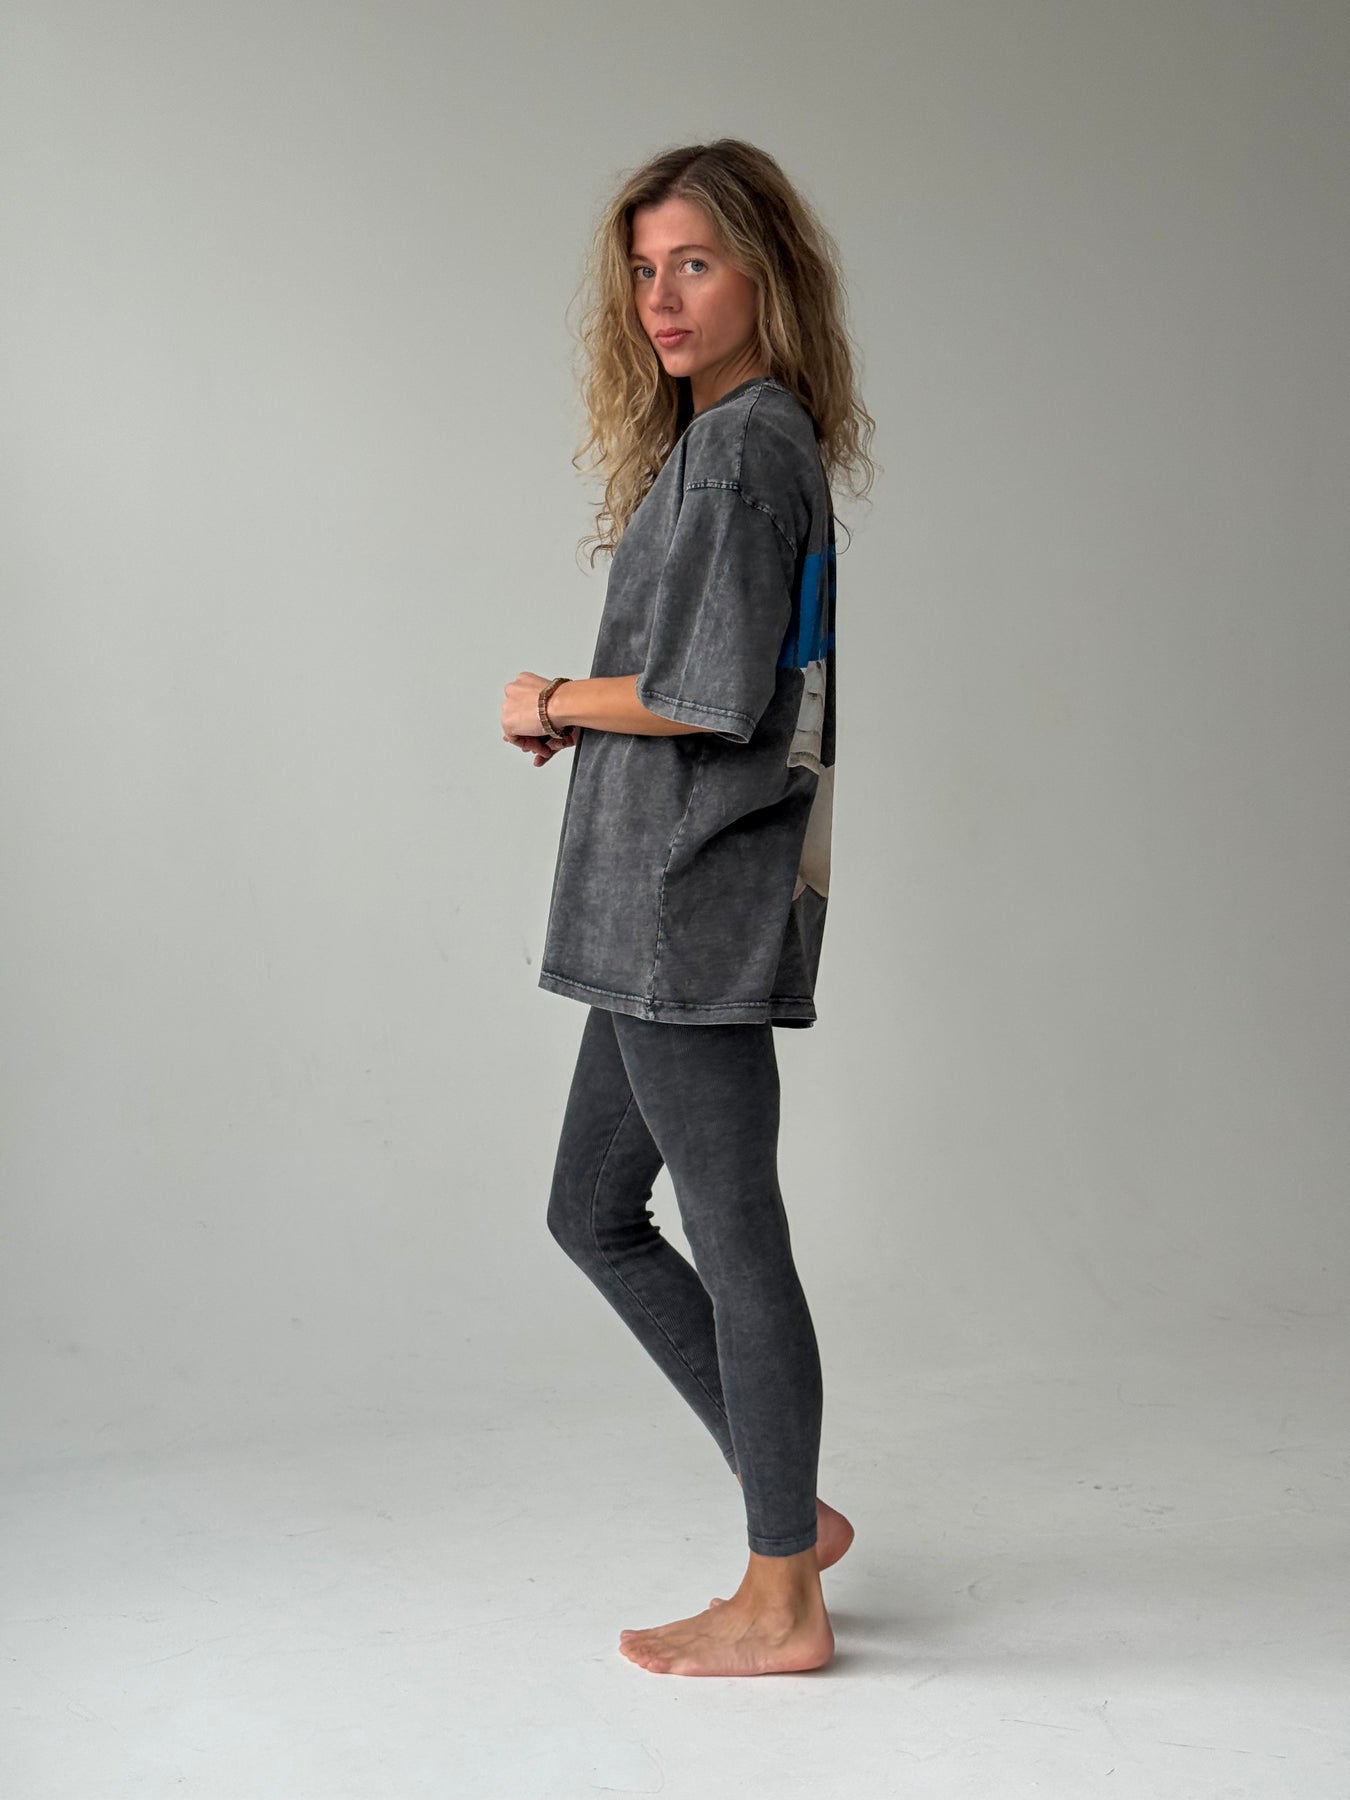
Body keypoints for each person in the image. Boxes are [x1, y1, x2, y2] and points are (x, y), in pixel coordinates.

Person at [501, 138, 875, 1677]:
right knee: (591, 1211)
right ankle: (792, 1511)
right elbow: (725, 688)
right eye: (645, 271)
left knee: (733, 1230)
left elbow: (707, 692)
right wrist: (592, 719)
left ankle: (780, 1596)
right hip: (664, 903)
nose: (660, 297)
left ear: (761, 276)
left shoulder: (735, 451)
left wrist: (553, 697)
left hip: (681, 904)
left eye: (694, 265)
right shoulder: (740, 438)